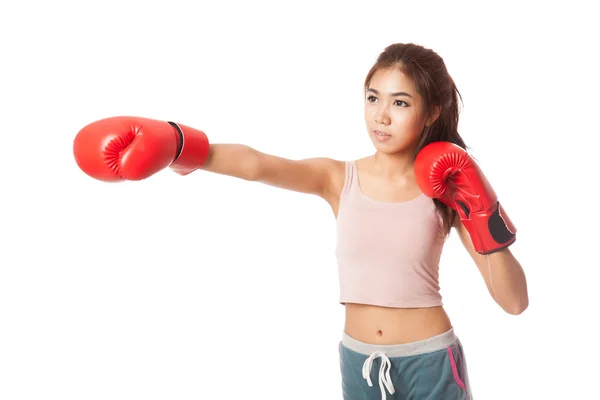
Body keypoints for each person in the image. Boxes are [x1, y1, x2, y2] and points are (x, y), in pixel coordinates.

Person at [73, 42, 529, 399]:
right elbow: (258, 164)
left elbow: (514, 302)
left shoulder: (447, 189)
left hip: (429, 359)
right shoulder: (338, 177)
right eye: (373, 98)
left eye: (401, 103)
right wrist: (177, 144)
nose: (381, 116)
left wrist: (481, 206)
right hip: (357, 359)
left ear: (431, 112)